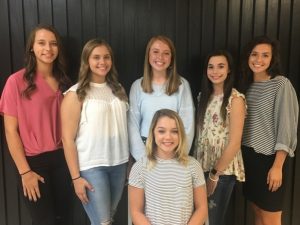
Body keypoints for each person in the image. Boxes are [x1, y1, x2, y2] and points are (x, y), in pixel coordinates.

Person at [0, 24, 72, 225]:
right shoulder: (15, 82)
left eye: (53, 44)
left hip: (63, 159)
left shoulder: (64, 82)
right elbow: (10, 131)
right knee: (44, 221)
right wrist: (25, 172)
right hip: (33, 163)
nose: (48, 49)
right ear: (31, 47)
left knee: (64, 219)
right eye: (41, 43)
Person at [61, 39, 129, 225]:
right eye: (96, 57)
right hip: (92, 167)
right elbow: (67, 139)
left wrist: (129, 161)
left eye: (106, 57)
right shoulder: (75, 94)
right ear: (87, 61)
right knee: (103, 221)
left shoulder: (119, 89)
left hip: (119, 164)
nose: (102, 62)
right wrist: (76, 178)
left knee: (109, 216)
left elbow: (125, 127)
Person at [240, 36, 298, 225]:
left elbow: (287, 126)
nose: (259, 60)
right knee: (257, 211)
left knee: (271, 218)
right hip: (249, 158)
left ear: (272, 59)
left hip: (270, 161)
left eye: (265, 55)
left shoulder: (281, 84)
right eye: (254, 54)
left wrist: (277, 166)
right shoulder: (247, 86)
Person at [193, 50, 246, 225]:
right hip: (201, 166)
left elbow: (235, 142)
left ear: (229, 70)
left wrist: (214, 176)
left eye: (221, 66)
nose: (215, 71)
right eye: (211, 67)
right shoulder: (203, 97)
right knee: (199, 217)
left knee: (213, 220)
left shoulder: (235, 99)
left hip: (221, 171)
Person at [129, 109, 208, 225]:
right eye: (161, 131)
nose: (168, 137)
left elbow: (202, 209)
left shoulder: (193, 166)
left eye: (174, 131)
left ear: (180, 134)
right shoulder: (139, 168)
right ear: (153, 133)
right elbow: (136, 212)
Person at [128, 35, 195, 161]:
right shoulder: (137, 86)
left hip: (173, 148)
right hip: (145, 148)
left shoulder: (181, 85)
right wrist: (143, 158)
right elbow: (132, 125)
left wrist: (180, 155)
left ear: (171, 58)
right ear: (148, 55)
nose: (160, 57)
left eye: (166, 53)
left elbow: (188, 123)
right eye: (155, 52)